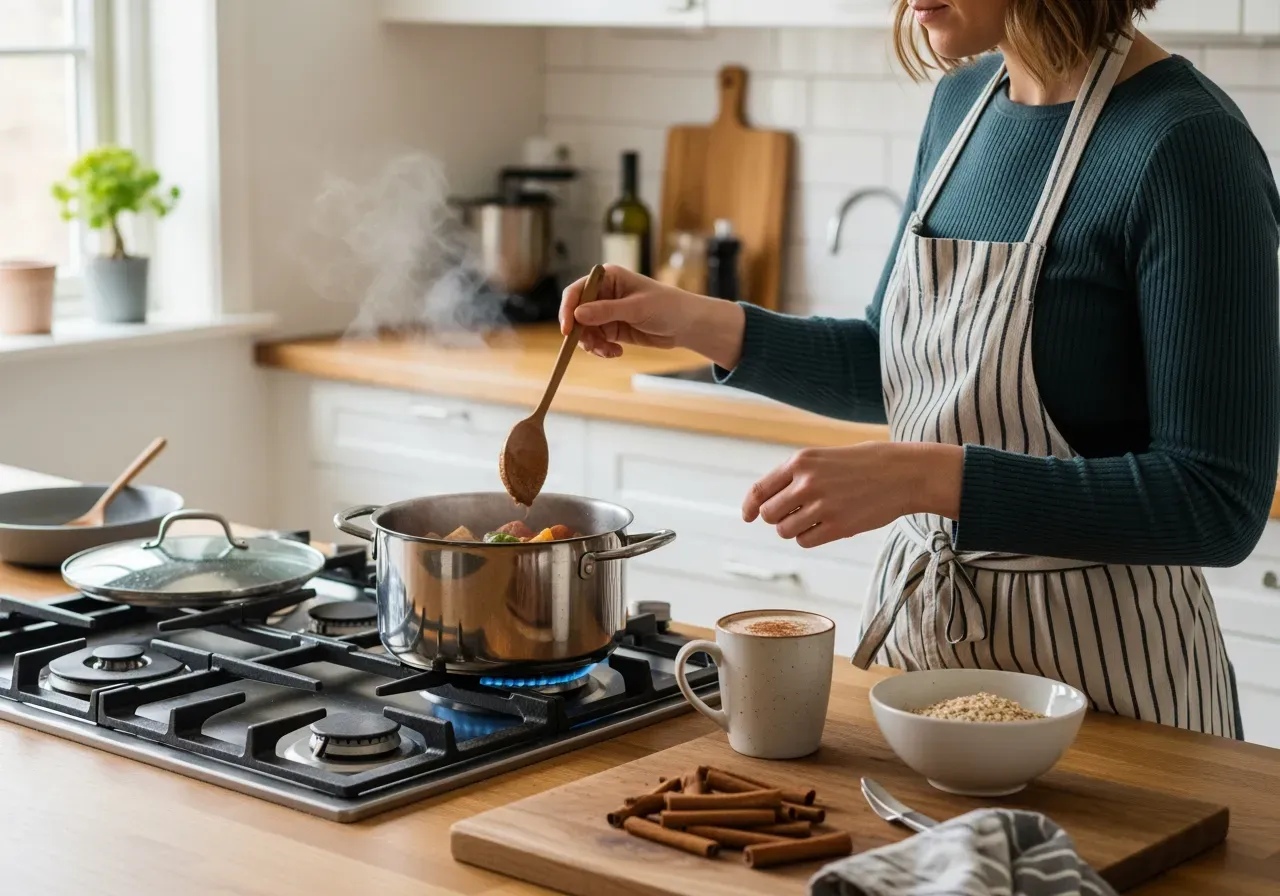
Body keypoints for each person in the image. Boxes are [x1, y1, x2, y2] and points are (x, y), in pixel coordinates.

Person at [559, 0, 1280, 738]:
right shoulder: (962, 104)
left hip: (1110, 696)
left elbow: (1214, 503)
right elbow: (897, 360)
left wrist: (925, 479)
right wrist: (691, 319)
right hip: (922, 672)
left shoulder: (1188, 145)